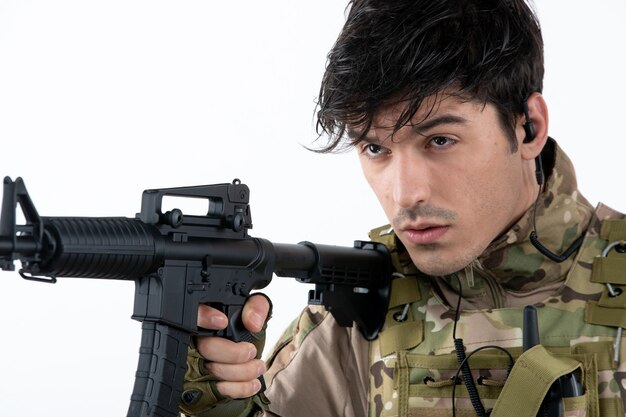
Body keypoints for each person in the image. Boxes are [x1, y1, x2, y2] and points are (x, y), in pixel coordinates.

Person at [181, 0, 626, 416]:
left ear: (529, 128)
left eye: (439, 140)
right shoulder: (354, 318)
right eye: (375, 148)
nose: (405, 193)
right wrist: (219, 394)